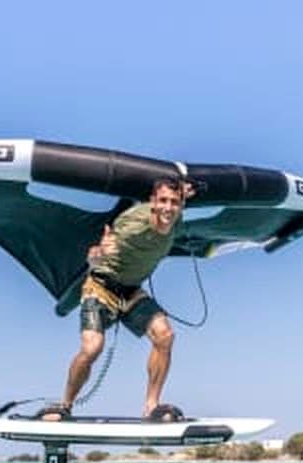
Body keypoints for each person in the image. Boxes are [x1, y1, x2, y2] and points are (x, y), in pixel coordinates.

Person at [39, 178, 194, 422]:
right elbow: (94, 257)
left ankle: (151, 406)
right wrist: (100, 254)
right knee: (92, 348)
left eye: (174, 202)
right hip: (101, 287)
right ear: (153, 202)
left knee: (164, 335)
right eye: (163, 201)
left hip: (131, 291)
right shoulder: (131, 224)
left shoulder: (176, 219)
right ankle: (65, 405)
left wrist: (187, 188)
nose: (168, 207)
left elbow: (186, 194)